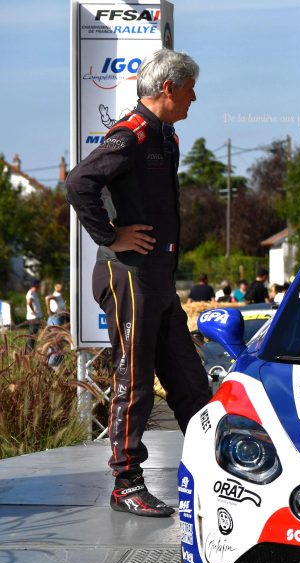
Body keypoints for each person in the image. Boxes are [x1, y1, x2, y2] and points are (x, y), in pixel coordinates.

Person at [65, 49, 211, 518]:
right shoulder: (130, 135)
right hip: (127, 276)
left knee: (190, 382)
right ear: (168, 88)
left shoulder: (165, 136)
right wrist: (110, 235)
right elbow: (78, 182)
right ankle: (126, 482)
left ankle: (217, 468)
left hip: (158, 278)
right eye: (190, 87)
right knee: (134, 379)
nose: (195, 96)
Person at [25, 279, 43, 349]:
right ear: (36, 285)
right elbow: (29, 301)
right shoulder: (31, 293)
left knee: (33, 336)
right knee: (32, 336)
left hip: (36, 317)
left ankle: (29, 350)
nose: (40, 286)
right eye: (39, 284)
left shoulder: (34, 293)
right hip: (33, 318)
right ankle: (29, 351)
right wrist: (32, 310)